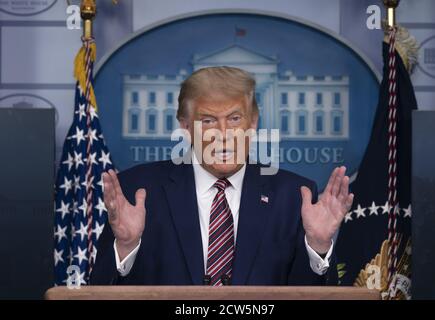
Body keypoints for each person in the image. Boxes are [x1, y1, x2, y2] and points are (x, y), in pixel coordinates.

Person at [90, 66, 353, 286]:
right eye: (207, 120)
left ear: (253, 123)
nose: (224, 133)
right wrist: (126, 247)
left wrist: (318, 247)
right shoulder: (138, 191)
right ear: (185, 127)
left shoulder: (295, 196)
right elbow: (98, 291)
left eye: (235, 118)